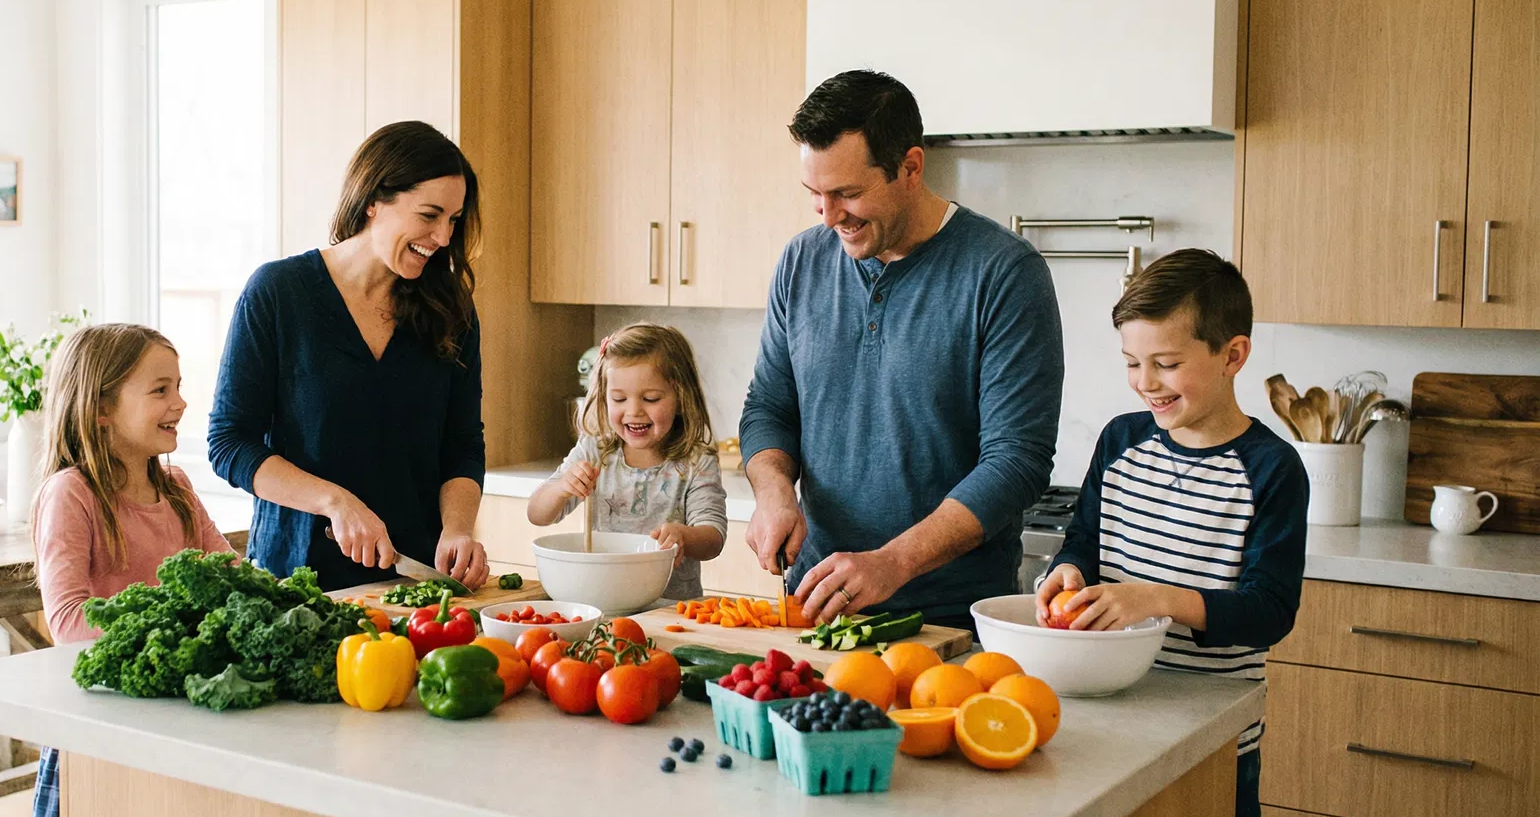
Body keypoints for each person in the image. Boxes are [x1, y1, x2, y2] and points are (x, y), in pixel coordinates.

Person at [1035, 249, 1307, 817]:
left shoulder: (1272, 471)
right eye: (1132, 363)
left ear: (1232, 354)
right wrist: (1066, 572)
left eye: (1165, 363)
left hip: (1211, 735)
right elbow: (1083, 541)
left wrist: (1153, 600)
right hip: (1108, 717)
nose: (1145, 383)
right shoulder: (1121, 442)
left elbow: (1270, 611)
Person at [740, 69, 1063, 629]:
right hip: (813, 606)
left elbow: (1017, 462)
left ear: (911, 167)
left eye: (848, 193)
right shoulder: (802, 262)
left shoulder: (1004, 273)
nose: (828, 216)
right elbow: (769, 406)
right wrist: (772, 490)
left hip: (947, 622)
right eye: (815, 195)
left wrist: (893, 563)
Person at [209, 121, 490, 594]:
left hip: (412, 584)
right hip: (297, 585)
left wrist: (458, 529)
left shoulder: (451, 310)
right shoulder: (279, 293)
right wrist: (334, 502)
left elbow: (462, 443)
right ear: (372, 201)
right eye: (429, 215)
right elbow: (230, 443)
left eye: (454, 220)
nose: (443, 237)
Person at [28, 323, 235, 817]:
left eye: (180, 387)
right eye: (160, 390)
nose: (180, 403)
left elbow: (229, 573)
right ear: (100, 407)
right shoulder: (72, 495)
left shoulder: (176, 490)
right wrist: (178, 622)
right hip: (104, 723)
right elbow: (66, 619)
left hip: (175, 716)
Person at [527, 324, 728, 609]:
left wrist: (685, 536)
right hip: (602, 603)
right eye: (619, 399)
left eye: (650, 399)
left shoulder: (696, 461)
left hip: (671, 610)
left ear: (681, 397)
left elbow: (713, 537)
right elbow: (538, 514)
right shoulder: (595, 451)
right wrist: (561, 488)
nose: (633, 411)